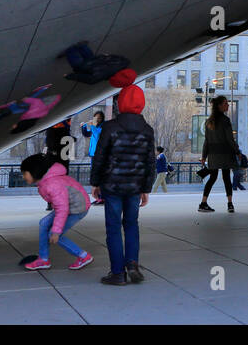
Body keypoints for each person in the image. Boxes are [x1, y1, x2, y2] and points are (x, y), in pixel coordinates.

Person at [90, 75, 155, 284]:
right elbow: (150, 162)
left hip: (112, 185)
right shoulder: (147, 130)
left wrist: (96, 182)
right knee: (131, 225)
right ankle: (132, 263)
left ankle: (117, 272)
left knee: (113, 227)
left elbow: (100, 156)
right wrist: (146, 188)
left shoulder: (110, 127)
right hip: (135, 187)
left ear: (121, 102)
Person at [21, 153, 93, 272]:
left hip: (77, 209)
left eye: (25, 173)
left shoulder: (53, 184)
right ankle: (43, 259)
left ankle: (83, 256)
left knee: (54, 234)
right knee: (44, 223)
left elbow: (62, 209)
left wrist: (56, 231)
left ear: (34, 171)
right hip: (67, 206)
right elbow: (61, 206)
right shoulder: (46, 181)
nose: (23, 176)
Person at [200, 95, 240, 213]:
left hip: (213, 154)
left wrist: (203, 156)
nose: (228, 105)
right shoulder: (225, 120)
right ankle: (230, 204)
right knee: (227, 178)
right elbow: (230, 139)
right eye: (225, 103)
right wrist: (237, 151)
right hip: (225, 154)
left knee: (212, 178)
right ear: (219, 106)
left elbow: (206, 141)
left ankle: (203, 202)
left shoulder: (208, 122)